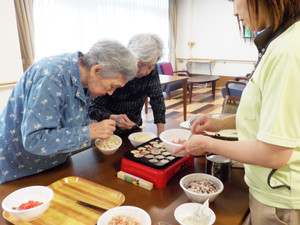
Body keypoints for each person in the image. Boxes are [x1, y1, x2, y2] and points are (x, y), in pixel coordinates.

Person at [175, 0, 300, 224]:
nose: (234, 11)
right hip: (270, 189)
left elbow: (274, 153)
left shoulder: (287, 51)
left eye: (235, 1)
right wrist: (218, 124)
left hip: (281, 199)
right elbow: (265, 114)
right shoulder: (283, 41)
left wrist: (207, 144)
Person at [0, 40, 137, 184]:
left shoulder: (86, 80)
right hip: (18, 169)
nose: (110, 93)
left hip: (55, 163)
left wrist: (95, 126)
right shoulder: (51, 76)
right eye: (111, 86)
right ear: (96, 70)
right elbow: (34, 139)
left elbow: (72, 119)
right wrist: (89, 132)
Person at [89, 33, 166, 136]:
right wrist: (112, 117)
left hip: (135, 127)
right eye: (140, 64)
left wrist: (161, 132)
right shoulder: (116, 68)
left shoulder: (151, 69)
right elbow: (93, 108)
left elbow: (157, 98)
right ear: (130, 57)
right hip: (107, 130)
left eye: (150, 66)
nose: (144, 72)